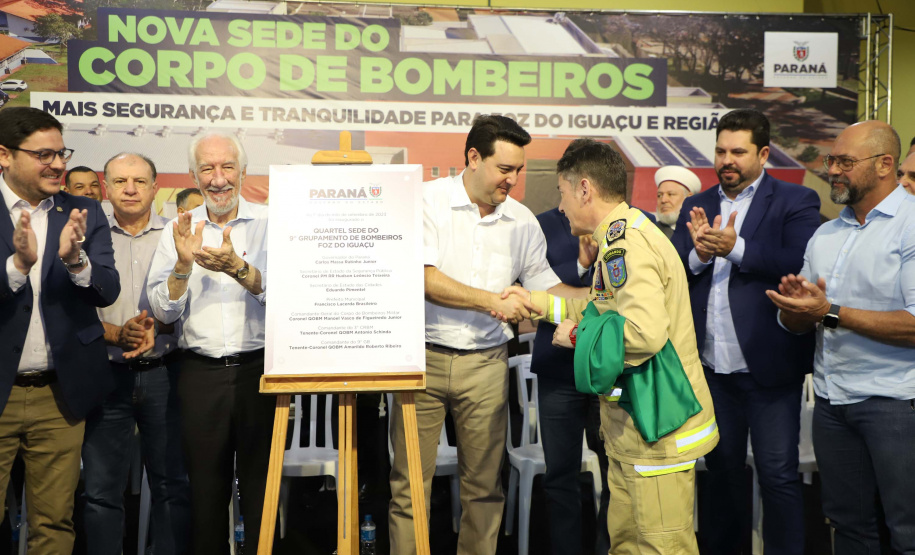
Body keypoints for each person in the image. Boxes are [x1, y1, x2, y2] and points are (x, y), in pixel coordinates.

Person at [507, 138, 718, 553]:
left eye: (564, 193)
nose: (562, 205)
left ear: (585, 189)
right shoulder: (620, 235)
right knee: (627, 542)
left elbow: (641, 333)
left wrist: (574, 336)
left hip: (656, 431)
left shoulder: (627, 245)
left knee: (658, 546)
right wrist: (534, 301)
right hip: (637, 430)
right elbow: (602, 306)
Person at [388, 115, 584, 555]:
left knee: (484, 487)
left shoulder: (522, 221)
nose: (514, 180)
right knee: (409, 488)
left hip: (487, 364)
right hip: (422, 360)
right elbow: (424, 278)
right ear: (473, 158)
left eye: (519, 170)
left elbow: (545, 288)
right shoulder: (426, 201)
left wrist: (597, 297)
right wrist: (492, 301)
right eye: (505, 169)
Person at [670, 109, 820, 555]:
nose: (726, 160)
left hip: (769, 370)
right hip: (712, 369)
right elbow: (676, 270)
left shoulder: (797, 200)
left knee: (777, 476)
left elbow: (799, 262)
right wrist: (697, 254)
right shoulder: (698, 205)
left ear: (764, 154)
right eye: (720, 151)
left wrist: (735, 249)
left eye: (738, 151)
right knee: (722, 477)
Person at [768, 120, 915, 554]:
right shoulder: (825, 233)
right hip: (833, 404)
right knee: (848, 525)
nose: (833, 170)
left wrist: (828, 310)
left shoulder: (909, 226)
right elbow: (807, 321)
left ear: (885, 164)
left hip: (895, 404)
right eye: (831, 160)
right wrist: (796, 311)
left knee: (907, 531)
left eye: (845, 162)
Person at [0, 107, 119, 551]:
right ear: (5, 156)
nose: (58, 164)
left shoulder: (84, 210)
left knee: (53, 525)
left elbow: (106, 290)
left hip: (60, 395)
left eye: (61, 153)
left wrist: (75, 261)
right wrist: (17, 267)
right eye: (44, 154)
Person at [147, 132, 272, 555]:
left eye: (227, 167)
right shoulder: (177, 230)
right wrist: (182, 265)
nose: (218, 179)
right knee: (204, 495)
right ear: (193, 175)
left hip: (261, 373)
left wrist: (239, 268)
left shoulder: (273, 224)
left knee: (262, 492)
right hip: (198, 375)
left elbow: (287, 299)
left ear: (242, 171)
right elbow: (163, 314)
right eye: (207, 168)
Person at [82, 152, 190, 554]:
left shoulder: (177, 234)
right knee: (100, 491)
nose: (130, 189)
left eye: (140, 181)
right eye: (121, 181)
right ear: (106, 187)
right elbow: (71, 311)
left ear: (156, 187)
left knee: (172, 486)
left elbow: (192, 304)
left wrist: (154, 328)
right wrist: (115, 334)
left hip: (166, 371)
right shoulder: (88, 237)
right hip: (105, 373)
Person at [532, 206, 610, 555]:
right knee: (559, 474)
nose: (562, 203)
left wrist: (590, 269)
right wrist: (581, 267)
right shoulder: (541, 224)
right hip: (557, 370)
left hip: (608, 373)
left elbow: (625, 292)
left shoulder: (627, 224)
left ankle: (608, 547)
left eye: (565, 189)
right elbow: (535, 283)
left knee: (615, 472)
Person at [654, 165, 701, 238]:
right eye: (659, 195)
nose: (663, 200)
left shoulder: (703, 232)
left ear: (689, 198)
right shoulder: (649, 232)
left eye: (671, 194)